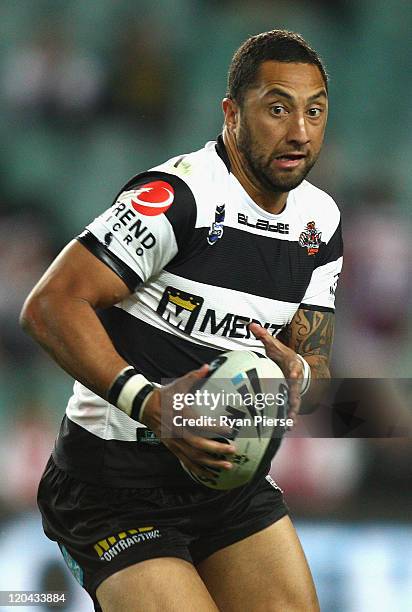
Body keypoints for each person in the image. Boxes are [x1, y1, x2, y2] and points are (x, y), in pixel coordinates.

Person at [21, 30, 342, 612]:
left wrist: (299, 379)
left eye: (314, 111)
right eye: (277, 108)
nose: (299, 131)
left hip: (225, 481)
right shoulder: (179, 197)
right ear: (231, 113)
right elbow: (49, 305)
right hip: (112, 487)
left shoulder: (320, 222)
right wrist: (151, 405)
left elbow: (310, 365)